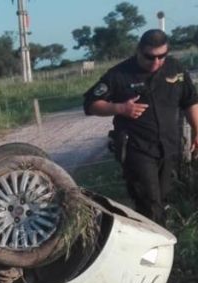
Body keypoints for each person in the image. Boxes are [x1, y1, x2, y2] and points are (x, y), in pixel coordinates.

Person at [83, 29, 198, 225]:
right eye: (150, 57)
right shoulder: (119, 74)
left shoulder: (175, 69)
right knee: (150, 204)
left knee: (163, 199)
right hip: (137, 149)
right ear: (138, 50)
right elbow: (90, 104)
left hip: (169, 147)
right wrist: (119, 108)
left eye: (162, 56)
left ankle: (160, 242)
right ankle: (155, 247)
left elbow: (190, 101)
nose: (156, 62)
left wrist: (197, 130)